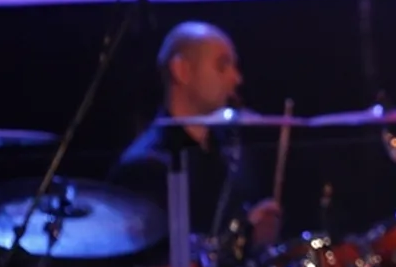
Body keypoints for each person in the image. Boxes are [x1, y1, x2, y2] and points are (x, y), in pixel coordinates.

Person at [108, 21, 281, 249]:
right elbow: (161, 263)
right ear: (182, 71)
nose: (236, 78)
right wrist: (239, 237)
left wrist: (254, 234)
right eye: (222, 66)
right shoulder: (145, 166)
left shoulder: (229, 149)